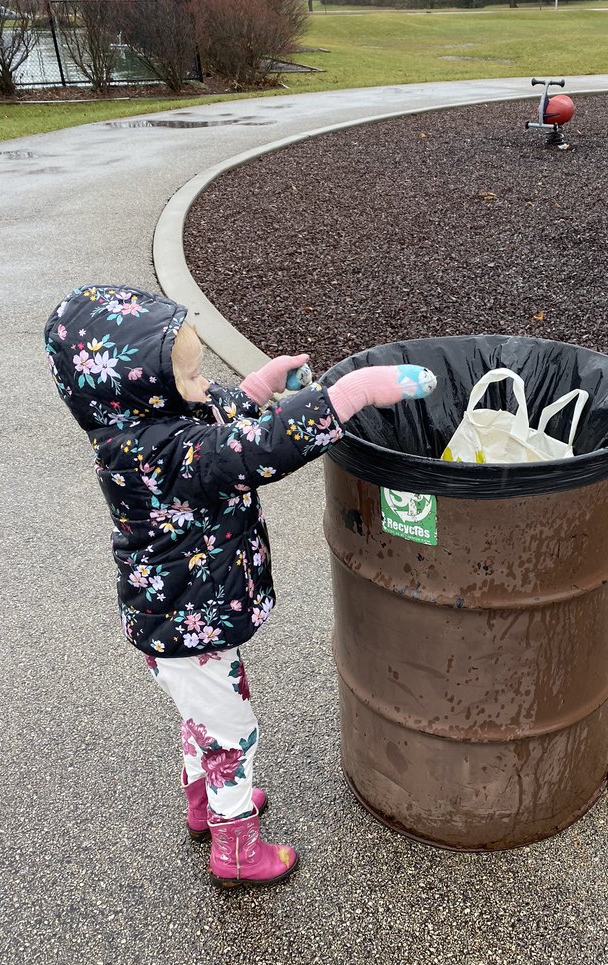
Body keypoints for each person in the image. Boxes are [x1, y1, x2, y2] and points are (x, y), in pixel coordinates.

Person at [43, 284, 436, 890]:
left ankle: (205, 807)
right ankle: (236, 848)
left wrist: (259, 388)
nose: (206, 385)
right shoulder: (154, 452)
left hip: (179, 619)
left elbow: (223, 415)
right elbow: (249, 452)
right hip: (185, 624)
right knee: (233, 733)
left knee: (202, 717)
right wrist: (347, 396)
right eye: (193, 376)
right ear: (139, 390)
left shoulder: (155, 419)